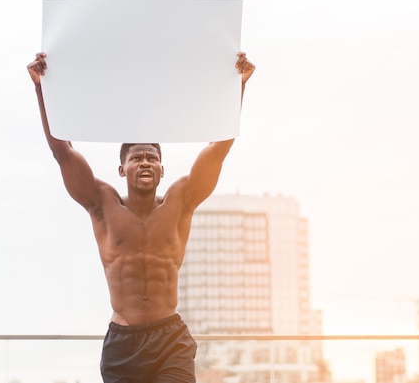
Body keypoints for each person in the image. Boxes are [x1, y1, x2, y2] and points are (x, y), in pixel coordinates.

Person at [27, 52, 255, 383]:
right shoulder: (102, 204)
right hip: (124, 343)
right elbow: (62, 151)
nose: (145, 161)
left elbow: (218, 149)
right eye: (137, 157)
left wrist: (238, 85)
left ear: (162, 169)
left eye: (152, 157)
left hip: (170, 338)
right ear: (122, 168)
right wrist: (40, 89)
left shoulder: (181, 200)